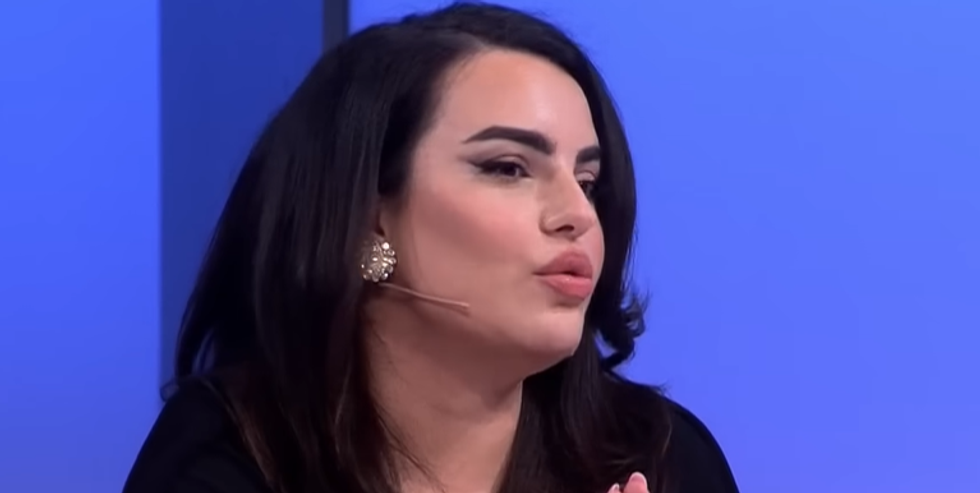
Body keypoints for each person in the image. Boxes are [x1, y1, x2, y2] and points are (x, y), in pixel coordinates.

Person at [123, 3, 739, 493]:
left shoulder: (661, 458)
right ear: (369, 217)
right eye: (508, 168)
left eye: (588, 182)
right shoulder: (228, 456)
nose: (578, 215)